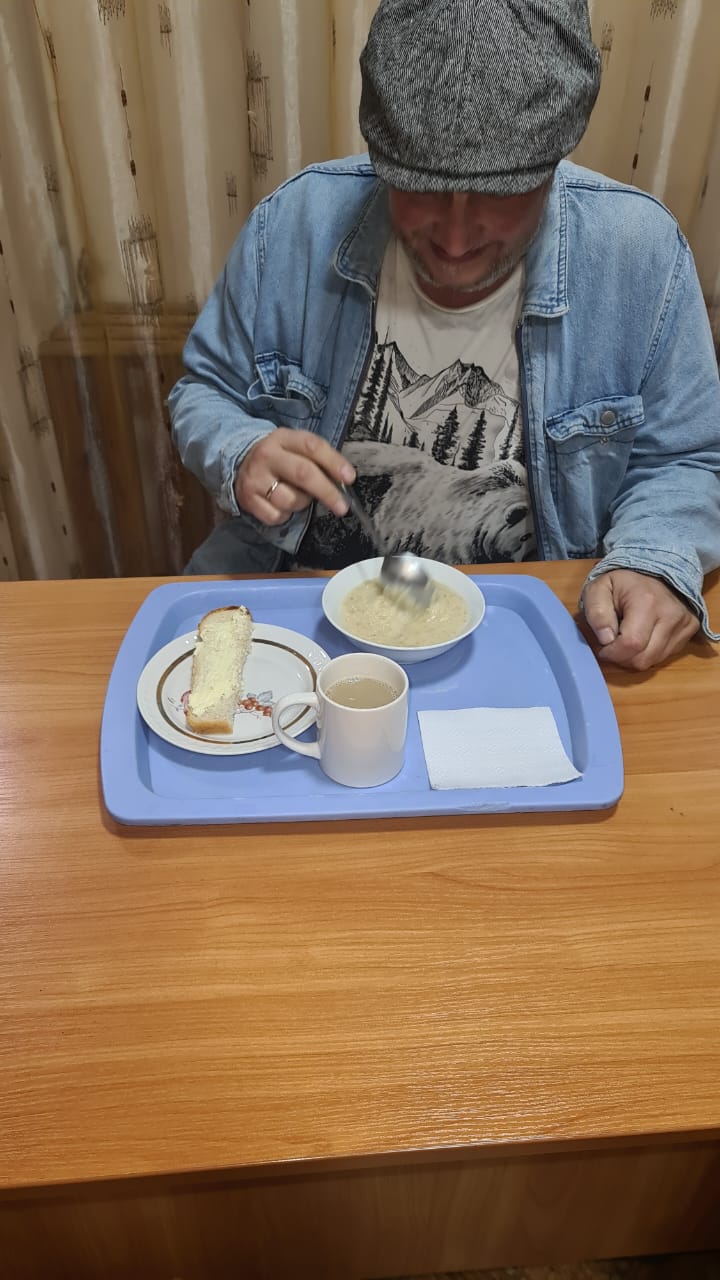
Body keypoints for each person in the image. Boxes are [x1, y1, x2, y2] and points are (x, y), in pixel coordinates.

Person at [169, 0, 720, 671]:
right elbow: (203, 390)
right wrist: (240, 450)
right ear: (381, 156)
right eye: (419, 189)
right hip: (296, 602)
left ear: (554, 163)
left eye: (501, 194)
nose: (455, 241)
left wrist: (655, 559)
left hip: (529, 625)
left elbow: (688, 461)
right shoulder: (292, 226)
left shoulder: (641, 256)